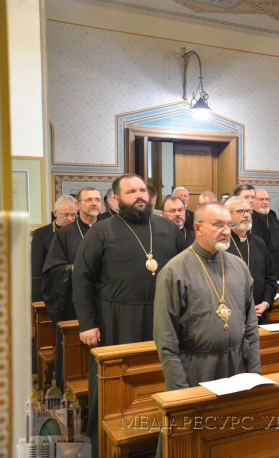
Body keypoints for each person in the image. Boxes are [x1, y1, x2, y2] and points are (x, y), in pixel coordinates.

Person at [72, 173, 185, 452]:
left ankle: (158, 439)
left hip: (164, 315)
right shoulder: (102, 231)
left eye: (142, 190)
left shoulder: (167, 227)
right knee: (117, 383)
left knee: (161, 375)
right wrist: (87, 324)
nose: (139, 196)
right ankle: (105, 442)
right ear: (116, 199)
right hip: (117, 319)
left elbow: (185, 270)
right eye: (131, 192)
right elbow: (82, 279)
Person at [152, 202, 261, 458]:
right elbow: (165, 337)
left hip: (234, 366)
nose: (226, 231)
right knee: (186, 443)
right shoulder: (175, 270)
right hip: (195, 368)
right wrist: (179, 388)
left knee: (228, 440)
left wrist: (254, 372)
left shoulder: (239, 266)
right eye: (218, 225)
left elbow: (251, 326)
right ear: (198, 227)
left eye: (229, 225)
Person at [41, 188, 101, 391]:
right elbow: (51, 271)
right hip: (75, 306)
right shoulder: (65, 234)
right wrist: (74, 269)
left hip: (107, 303)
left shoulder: (111, 230)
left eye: (97, 200)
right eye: (89, 199)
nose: (94, 203)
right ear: (78, 205)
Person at [225, 196, 277, 325]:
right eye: (240, 211)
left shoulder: (259, 243)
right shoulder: (222, 245)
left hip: (260, 314)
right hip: (231, 317)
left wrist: (265, 303)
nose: (246, 215)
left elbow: (270, 277)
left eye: (248, 211)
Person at [32, 195, 77, 302]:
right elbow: (37, 268)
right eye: (65, 215)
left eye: (73, 215)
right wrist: (38, 297)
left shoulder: (80, 231)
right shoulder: (42, 234)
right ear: (55, 213)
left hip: (76, 288)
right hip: (52, 289)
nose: (70, 219)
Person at [233, 183, 277, 267]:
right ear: (236, 198)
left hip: (257, 267)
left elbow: (270, 250)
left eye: (253, 197)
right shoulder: (228, 218)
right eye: (246, 197)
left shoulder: (260, 220)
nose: (250, 200)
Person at [254, 188, 279, 273]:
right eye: (261, 199)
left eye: (267, 199)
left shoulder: (274, 219)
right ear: (253, 201)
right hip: (257, 265)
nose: (265, 202)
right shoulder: (249, 220)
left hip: (276, 264)